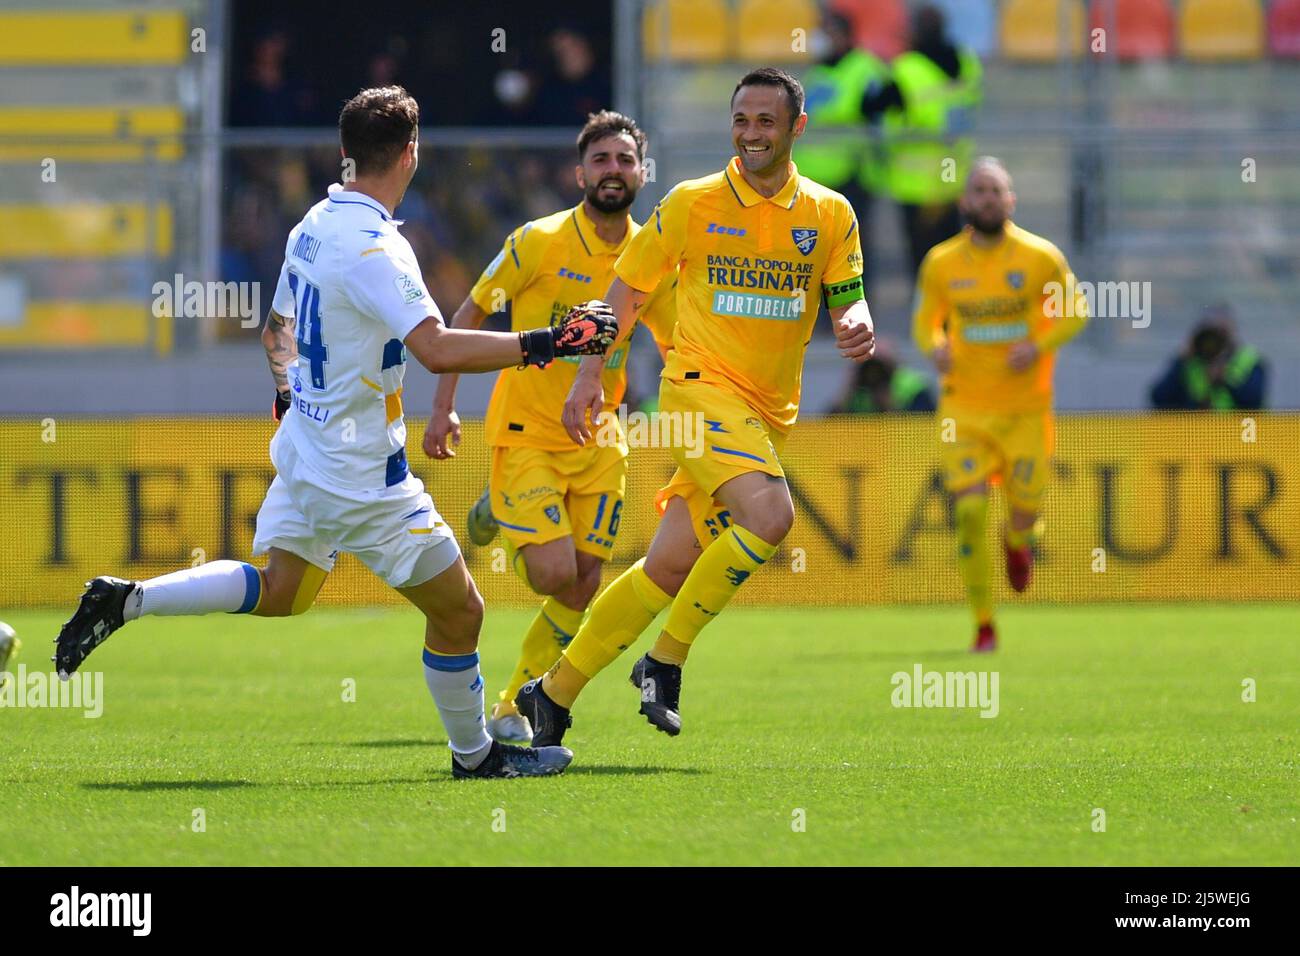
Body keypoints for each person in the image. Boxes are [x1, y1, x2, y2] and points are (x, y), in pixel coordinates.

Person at [52, 86, 618, 779]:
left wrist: (289, 394)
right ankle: (476, 756)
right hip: (360, 476)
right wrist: (550, 340)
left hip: (307, 450)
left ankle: (128, 599)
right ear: (411, 153)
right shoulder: (379, 247)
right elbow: (435, 347)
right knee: (461, 613)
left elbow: (276, 330)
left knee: (282, 589)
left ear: (346, 153)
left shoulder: (313, 224)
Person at [513, 67, 876, 746]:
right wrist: (590, 375)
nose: (751, 134)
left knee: (668, 566)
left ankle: (551, 694)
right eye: (741, 121)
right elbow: (625, 293)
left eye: (766, 122)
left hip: (768, 412)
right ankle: (665, 660)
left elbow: (845, 291)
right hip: (697, 389)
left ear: (797, 128)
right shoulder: (691, 202)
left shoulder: (830, 213)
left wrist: (857, 319)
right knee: (770, 516)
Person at [423, 110, 675, 746]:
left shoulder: (654, 255)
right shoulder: (537, 240)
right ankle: (497, 512)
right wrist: (442, 403)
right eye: (601, 160)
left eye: (624, 160)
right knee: (554, 575)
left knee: (587, 581)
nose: (612, 171)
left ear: (641, 172)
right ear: (579, 172)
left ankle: (513, 703)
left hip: (600, 438)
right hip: (527, 429)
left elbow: (677, 344)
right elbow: (470, 312)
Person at [913, 157, 1087, 653]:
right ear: (965, 202)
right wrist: (935, 345)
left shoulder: (1039, 257)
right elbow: (925, 321)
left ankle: (1018, 543)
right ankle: (984, 623)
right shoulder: (942, 262)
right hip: (964, 409)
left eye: (997, 191)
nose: (988, 198)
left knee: (1024, 507)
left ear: (1011, 201)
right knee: (968, 512)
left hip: (1025, 409)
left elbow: (1076, 311)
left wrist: (1039, 345)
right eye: (979, 191)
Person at [862, 4, 982, 280]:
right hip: (954, 179)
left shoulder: (908, 68)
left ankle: (927, 319)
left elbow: (873, 105)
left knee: (924, 267)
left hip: (917, 185)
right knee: (956, 261)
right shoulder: (966, 61)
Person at [799, 12, 888, 289]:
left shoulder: (866, 70)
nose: (820, 39)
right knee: (814, 251)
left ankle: (856, 313)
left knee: (851, 250)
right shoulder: (819, 72)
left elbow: (878, 120)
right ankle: (821, 320)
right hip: (813, 177)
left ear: (844, 36)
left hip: (852, 174)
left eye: (827, 32)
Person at [1149, 305, 1266, 410]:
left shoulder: (1248, 360)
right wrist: (1180, 360)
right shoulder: (1189, 362)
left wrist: (1225, 380)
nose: (1213, 342)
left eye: (1221, 332)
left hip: (1239, 431)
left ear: (1232, 331)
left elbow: (1254, 402)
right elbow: (1159, 399)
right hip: (1198, 432)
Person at [832, 345, 935, 413]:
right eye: (869, 366)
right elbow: (827, 429)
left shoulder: (913, 388)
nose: (875, 374)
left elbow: (926, 428)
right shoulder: (857, 391)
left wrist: (891, 407)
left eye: (880, 366)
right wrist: (845, 393)